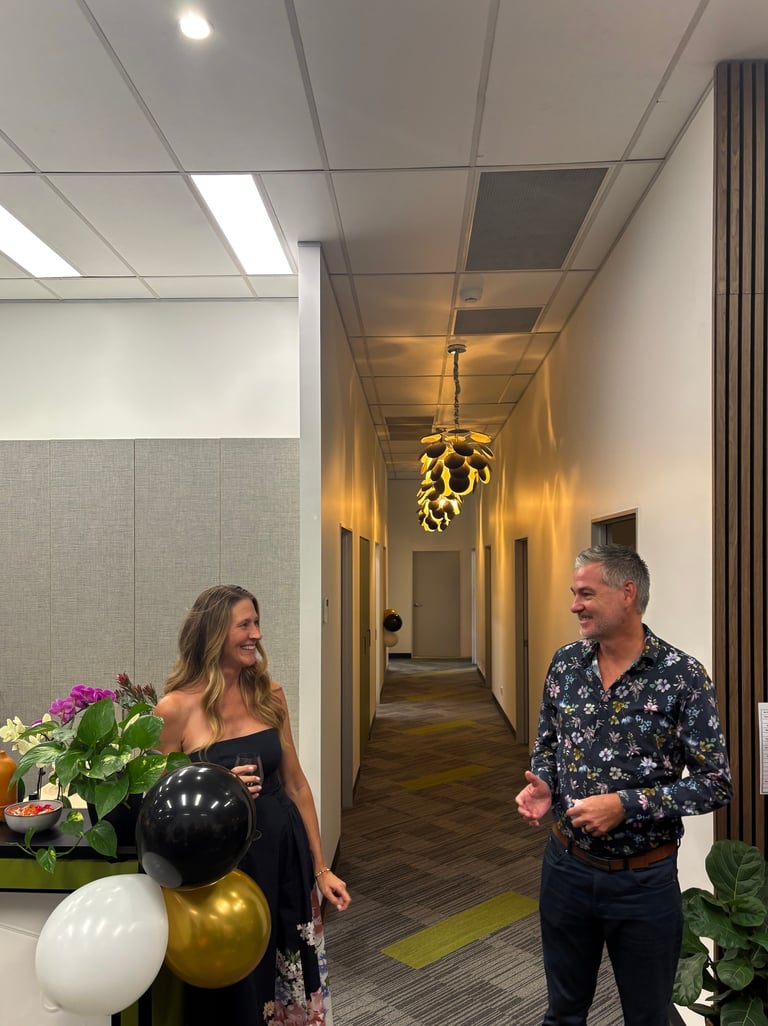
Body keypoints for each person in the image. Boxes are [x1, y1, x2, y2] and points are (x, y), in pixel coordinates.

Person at [515, 544, 732, 1026]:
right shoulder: (566, 664)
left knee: (648, 1016)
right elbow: (547, 743)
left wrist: (626, 805)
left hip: (643, 882)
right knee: (563, 1013)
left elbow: (715, 784)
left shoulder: (682, 677)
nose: (574, 605)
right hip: (566, 868)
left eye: (586, 594)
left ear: (627, 593)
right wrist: (545, 783)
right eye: (574, 593)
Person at [155, 584, 351, 1026]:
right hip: (222, 870)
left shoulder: (269, 694)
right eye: (244, 625)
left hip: (283, 854)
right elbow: (158, 800)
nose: (256, 634)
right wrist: (216, 786)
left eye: (256, 623)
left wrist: (322, 868)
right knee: (237, 985)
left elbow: (296, 783)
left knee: (289, 967)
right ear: (213, 633)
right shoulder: (175, 709)